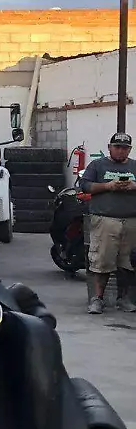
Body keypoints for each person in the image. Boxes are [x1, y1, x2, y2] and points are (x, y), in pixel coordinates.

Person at [79, 132, 136, 314]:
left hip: (131, 221)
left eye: (125, 148)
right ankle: (97, 299)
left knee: (128, 263)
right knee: (102, 261)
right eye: (117, 147)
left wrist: (134, 186)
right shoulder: (97, 165)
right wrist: (108, 186)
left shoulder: (134, 166)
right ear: (109, 147)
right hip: (105, 220)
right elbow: (85, 186)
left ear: (130, 150)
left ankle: (124, 299)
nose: (121, 151)